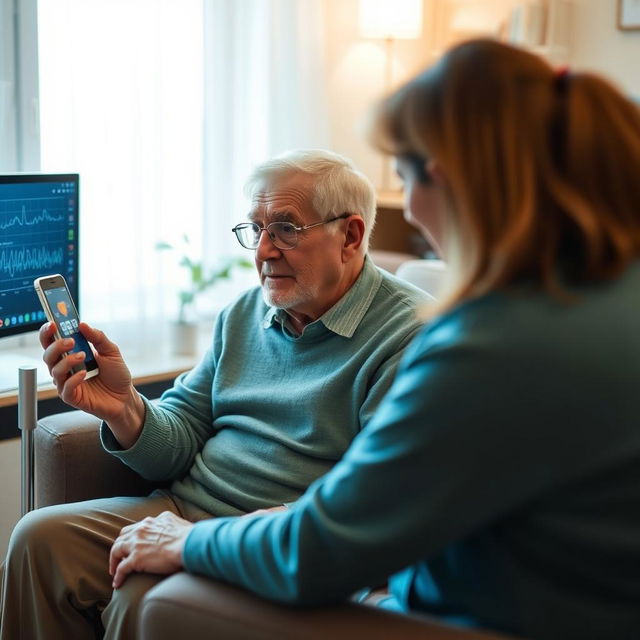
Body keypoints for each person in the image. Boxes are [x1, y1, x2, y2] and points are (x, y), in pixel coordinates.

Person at [82, 39, 640, 640]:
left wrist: (192, 541)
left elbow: (323, 545)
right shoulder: (600, 293)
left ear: (445, 178)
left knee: (165, 607)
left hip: (471, 617)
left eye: (403, 177)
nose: (416, 220)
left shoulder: (487, 342)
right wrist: (129, 411)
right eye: (258, 229)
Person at [0, 148, 430, 639]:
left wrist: (202, 540)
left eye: (286, 229)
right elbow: (179, 440)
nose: (264, 251)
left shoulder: (410, 336)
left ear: (350, 236)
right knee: (37, 539)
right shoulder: (244, 313)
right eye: (257, 229)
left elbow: (375, 501)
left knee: (141, 596)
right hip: (181, 509)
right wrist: (124, 409)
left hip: (271, 544)